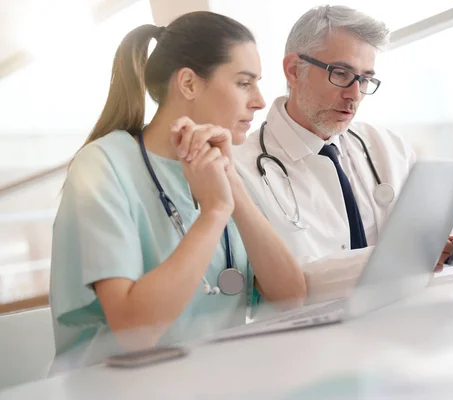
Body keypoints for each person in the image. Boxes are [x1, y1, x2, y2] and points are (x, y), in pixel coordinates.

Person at [50, 11, 306, 371]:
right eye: (244, 83)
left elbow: (291, 297)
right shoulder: (102, 165)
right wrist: (215, 212)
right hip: (112, 388)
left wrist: (232, 187)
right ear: (187, 83)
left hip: (207, 382)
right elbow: (135, 332)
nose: (260, 101)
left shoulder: (224, 166)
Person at [233, 5, 453, 274]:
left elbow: (437, 236)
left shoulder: (385, 146)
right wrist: (399, 258)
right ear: (293, 70)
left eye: (365, 79)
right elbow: (281, 281)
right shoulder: (242, 168)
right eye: (341, 73)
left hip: (401, 324)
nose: (354, 94)